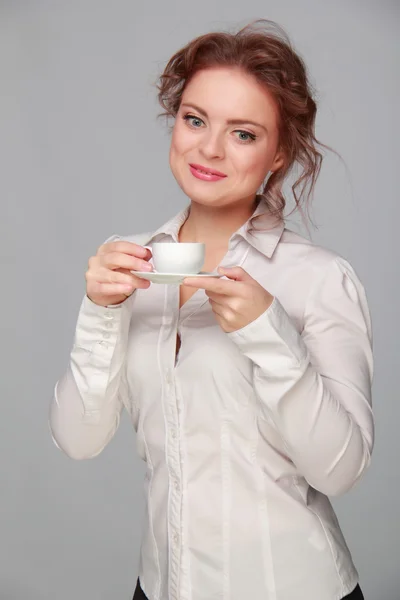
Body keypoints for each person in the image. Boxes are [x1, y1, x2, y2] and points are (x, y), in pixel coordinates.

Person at [49, 19, 373, 600]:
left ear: (278, 154)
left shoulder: (318, 279)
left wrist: (266, 331)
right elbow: (78, 440)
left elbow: (340, 471)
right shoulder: (131, 269)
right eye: (194, 119)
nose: (210, 148)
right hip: (161, 587)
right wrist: (99, 311)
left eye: (244, 133)